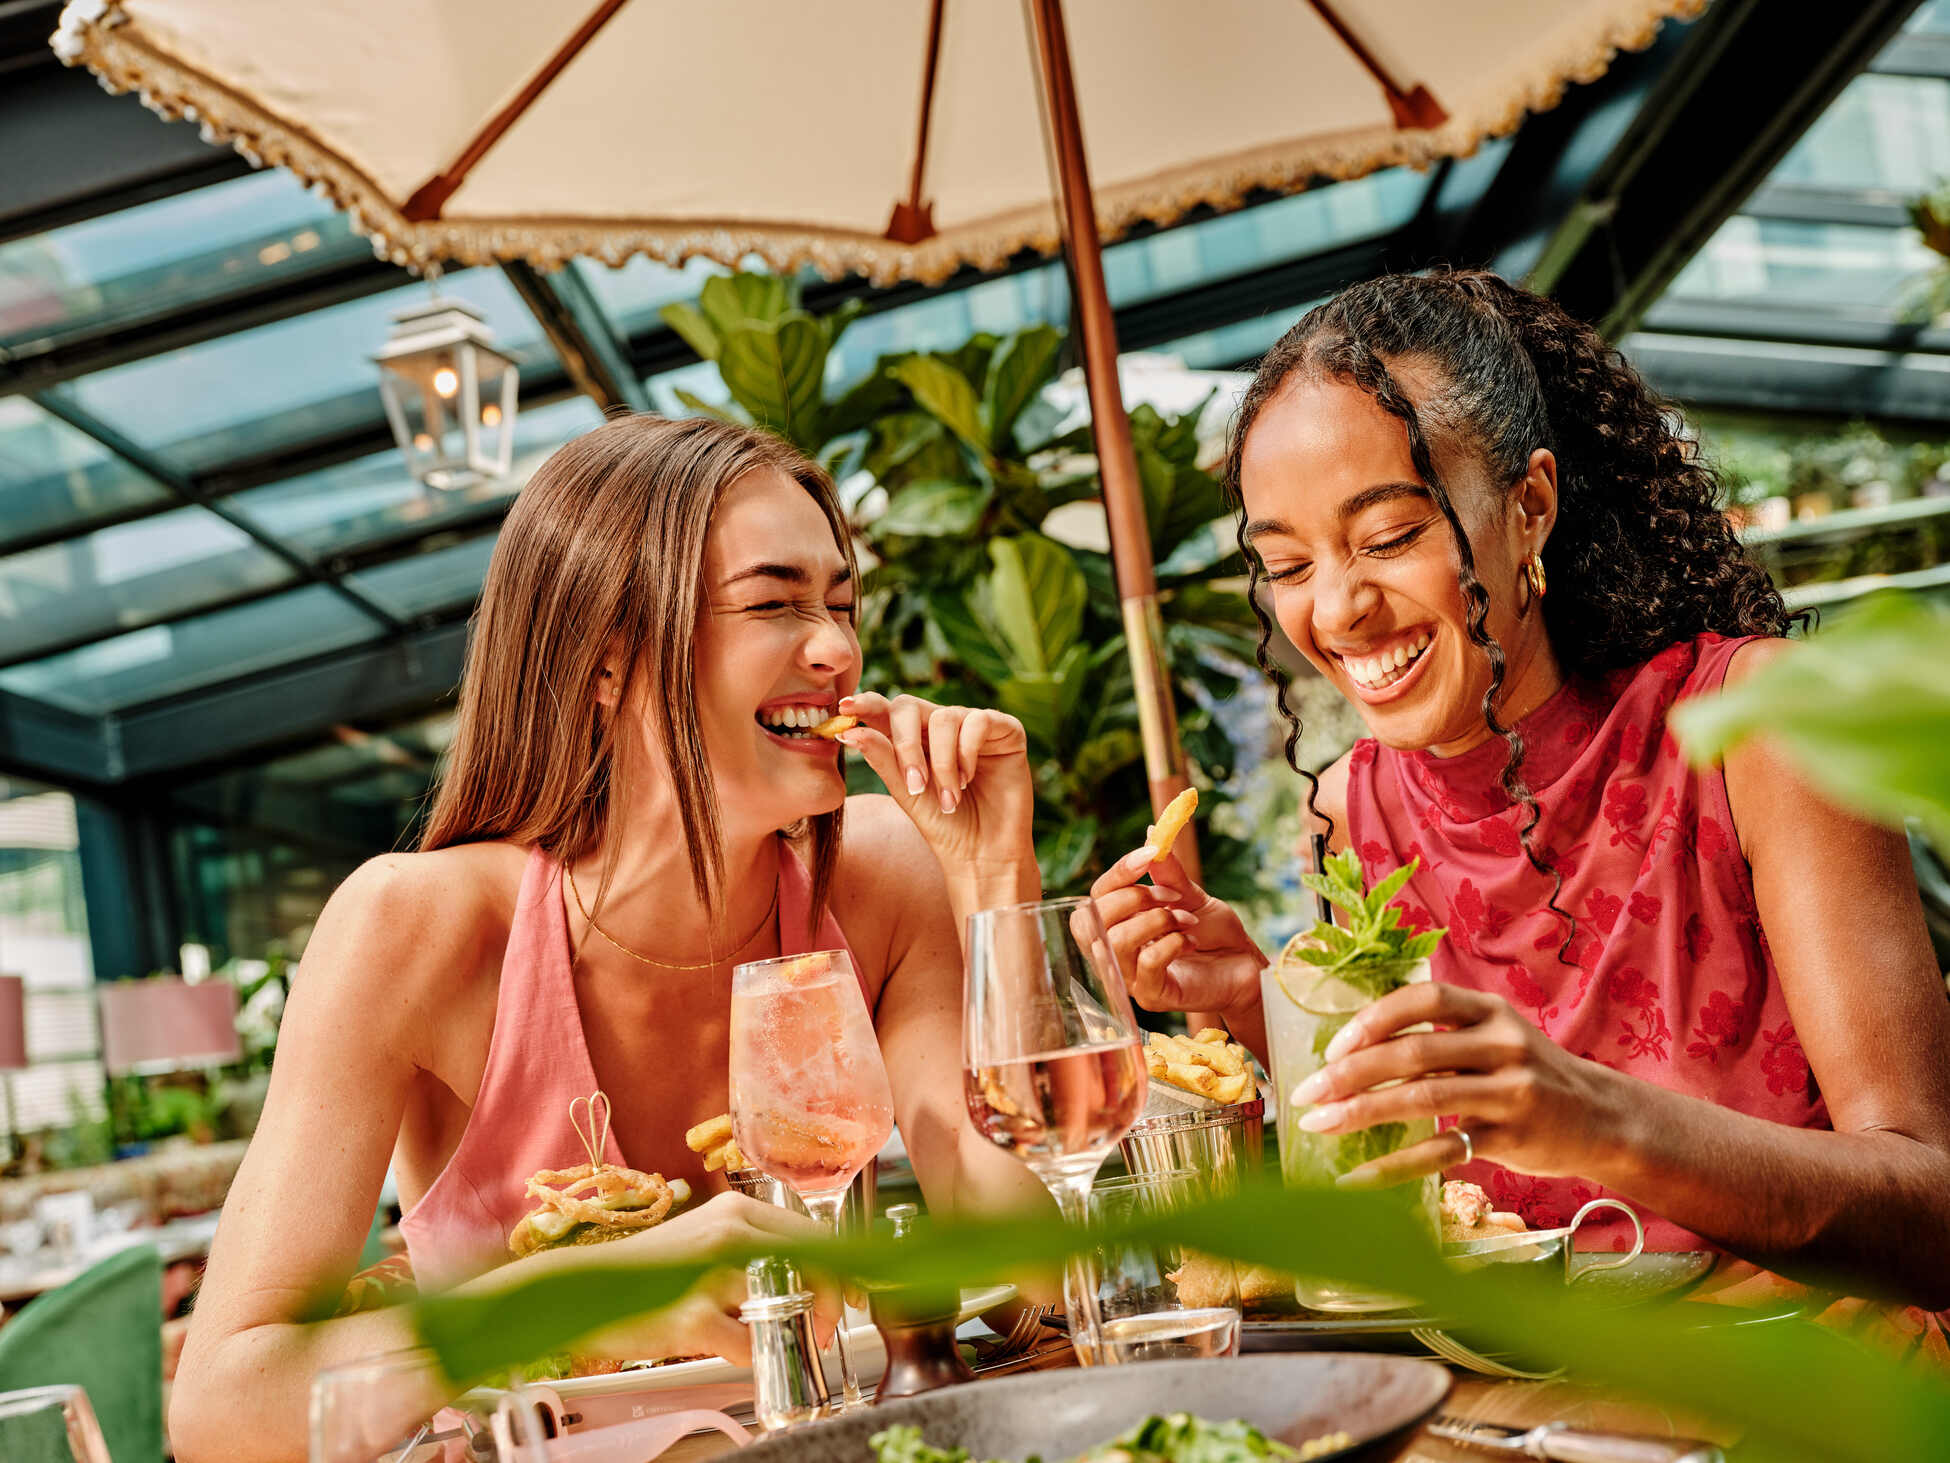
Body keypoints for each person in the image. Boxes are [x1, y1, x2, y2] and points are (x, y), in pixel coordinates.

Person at [170, 415, 1048, 1462]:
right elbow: (224, 1403)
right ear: (606, 659)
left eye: (841, 603)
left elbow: (1041, 1261)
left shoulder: (882, 875)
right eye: (774, 602)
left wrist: (994, 875)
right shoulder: (416, 926)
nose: (837, 648)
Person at [1093, 270, 1950, 1316]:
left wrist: (1599, 1118)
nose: (1339, 608)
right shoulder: (1357, 806)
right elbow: (1432, 1194)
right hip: (1530, 1381)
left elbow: (1932, 1206)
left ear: (1530, 505)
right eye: (1288, 563)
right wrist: (1257, 1003)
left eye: (1388, 536)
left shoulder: (1757, 725)